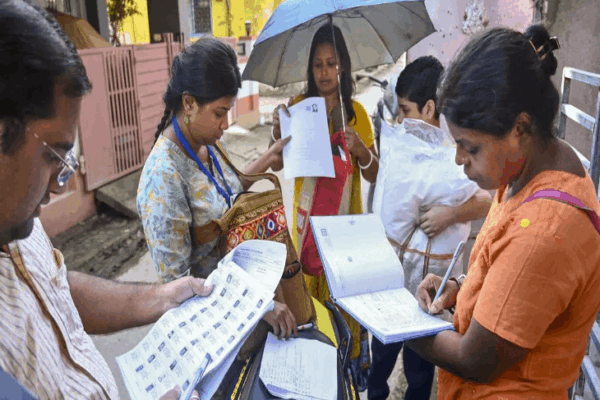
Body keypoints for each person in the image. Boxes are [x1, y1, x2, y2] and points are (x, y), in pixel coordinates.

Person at [0, 1, 210, 399]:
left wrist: (160, 297)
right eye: (53, 156)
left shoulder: (19, 223)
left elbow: (56, 287)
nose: (60, 185)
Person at [405, 25, 600, 399]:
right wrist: (460, 288)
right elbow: (512, 276)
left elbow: (475, 359)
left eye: (470, 148)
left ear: (520, 127)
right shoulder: (527, 168)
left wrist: (399, 326)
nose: (458, 159)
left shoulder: (543, 231)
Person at [137, 38, 298, 339]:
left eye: (228, 112)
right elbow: (178, 291)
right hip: (215, 329)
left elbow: (226, 190)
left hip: (247, 300)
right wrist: (256, 306)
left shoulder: (206, 142)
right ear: (189, 103)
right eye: (219, 113)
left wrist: (267, 158)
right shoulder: (163, 179)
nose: (225, 124)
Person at [368, 56, 492, 400]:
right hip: (392, 281)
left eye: (405, 111)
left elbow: (488, 201)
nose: (400, 120)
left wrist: (449, 215)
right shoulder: (401, 148)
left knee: (420, 371)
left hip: (432, 288)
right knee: (380, 361)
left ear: (429, 108)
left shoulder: (457, 151)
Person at [270, 23, 379, 376]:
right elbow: (280, 163)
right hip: (308, 232)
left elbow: (374, 173)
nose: (324, 72)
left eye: (331, 63)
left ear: (343, 65)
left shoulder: (357, 114)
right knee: (309, 307)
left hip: (346, 230)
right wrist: (278, 131)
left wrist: (360, 150)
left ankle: (345, 375)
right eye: (318, 65)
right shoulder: (299, 108)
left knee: (343, 302)